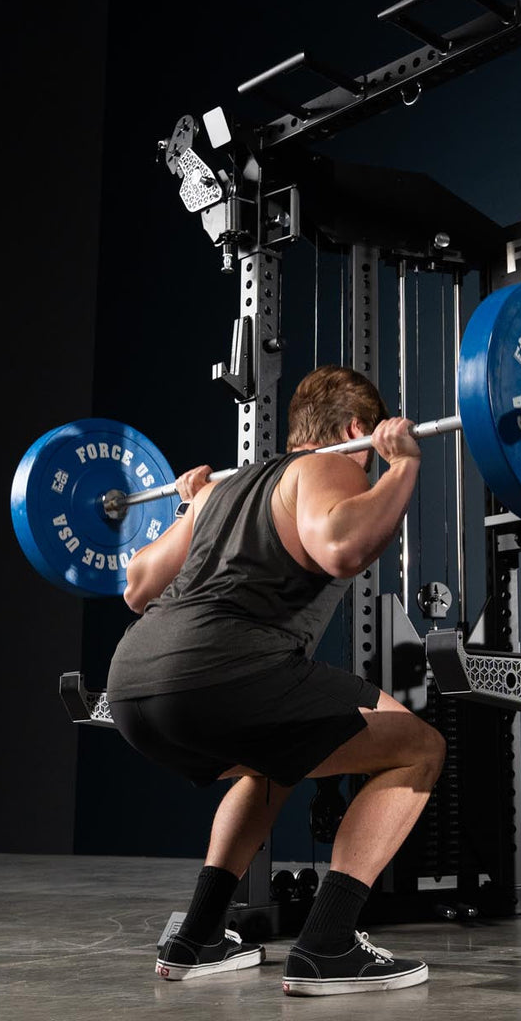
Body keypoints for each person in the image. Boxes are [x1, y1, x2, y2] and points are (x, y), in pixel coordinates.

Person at [105, 365, 445, 996]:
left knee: (276, 759)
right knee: (420, 747)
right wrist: (400, 467)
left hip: (133, 684)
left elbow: (137, 586)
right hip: (223, 672)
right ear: (351, 431)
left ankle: (198, 936)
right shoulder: (327, 466)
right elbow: (340, 546)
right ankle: (328, 945)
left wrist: (188, 509)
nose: (365, 465)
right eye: (366, 446)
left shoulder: (219, 493)